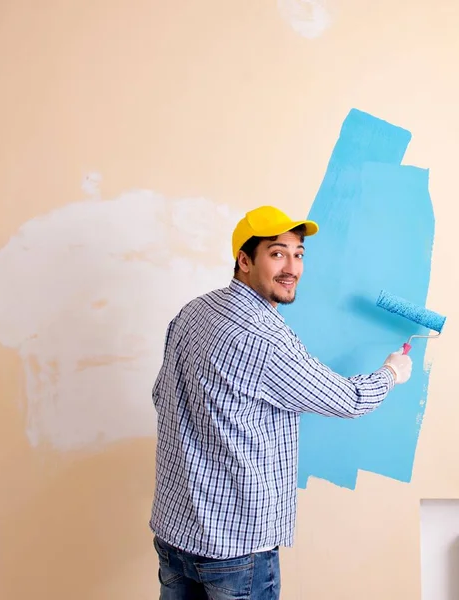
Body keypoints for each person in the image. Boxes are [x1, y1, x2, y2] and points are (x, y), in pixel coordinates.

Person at [149, 205, 412, 599]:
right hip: (234, 552)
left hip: (174, 535)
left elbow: (161, 396)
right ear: (244, 260)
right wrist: (391, 372)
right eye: (276, 253)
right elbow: (349, 399)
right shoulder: (265, 338)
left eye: (298, 254)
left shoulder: (194, 311)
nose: (292, 267)